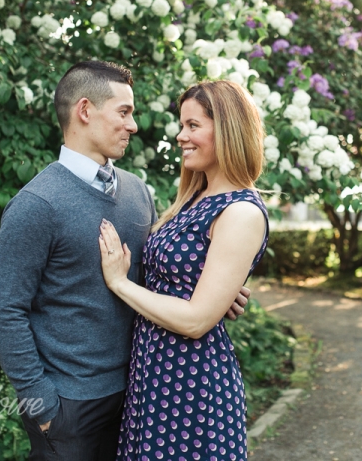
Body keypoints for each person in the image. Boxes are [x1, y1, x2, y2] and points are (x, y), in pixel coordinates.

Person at [0, 61, 250, 461]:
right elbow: (4, 314)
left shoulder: (137, 192)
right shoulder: (36, 205)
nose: (134, 125)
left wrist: (211, 292)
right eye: (124, 112)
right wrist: (42, 408)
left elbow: (151, 275)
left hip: (143, 394)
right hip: (70, 406)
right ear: (85, 111)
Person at [98, 80, 269, 461]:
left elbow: (195, 321)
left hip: (191, 386)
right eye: (182, 125)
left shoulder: (240, 211)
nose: (181, 136)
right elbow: (184, 281)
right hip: (155, 376)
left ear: (226, 130)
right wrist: (217, 293)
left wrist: (118, 283)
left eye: (193, 126)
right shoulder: (195, 197)